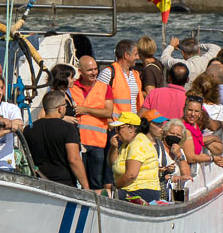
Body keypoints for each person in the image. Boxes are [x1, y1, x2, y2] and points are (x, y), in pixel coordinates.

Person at [25, 90, 90, 187]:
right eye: (65, 105)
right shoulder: (68, 128)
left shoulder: (29, 129)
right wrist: (86, 187)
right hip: (64, 184)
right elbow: (74, 159)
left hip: (38, 182)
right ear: (60, 108)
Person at [69, 55, 115, 188]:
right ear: (80, 71)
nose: (94, 72)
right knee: (78, 183)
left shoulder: (105, 88)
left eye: (96, 69)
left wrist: (85, 109)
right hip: (78, 142)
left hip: (97, 143)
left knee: (96, 183)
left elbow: (108, 112)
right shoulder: (71, 88)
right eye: (90, 70)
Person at [110, 113, 164, 202]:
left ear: (131, 128)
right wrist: (113, 147)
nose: (116, 131)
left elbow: (131, 175)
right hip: (130, 189)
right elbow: (113, 164)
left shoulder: (137, 143)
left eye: (119, 128)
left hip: (141, 191)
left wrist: (114, 186)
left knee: (98, 195)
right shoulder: (126, 144)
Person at [105, 39, 144, 125]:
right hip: (116, 124)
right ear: (126, 55)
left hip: (133, 124)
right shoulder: (109, 73)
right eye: (136, 54)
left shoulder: (135, 74)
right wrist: (109, 121)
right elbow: (97, 99)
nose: (138, 57)